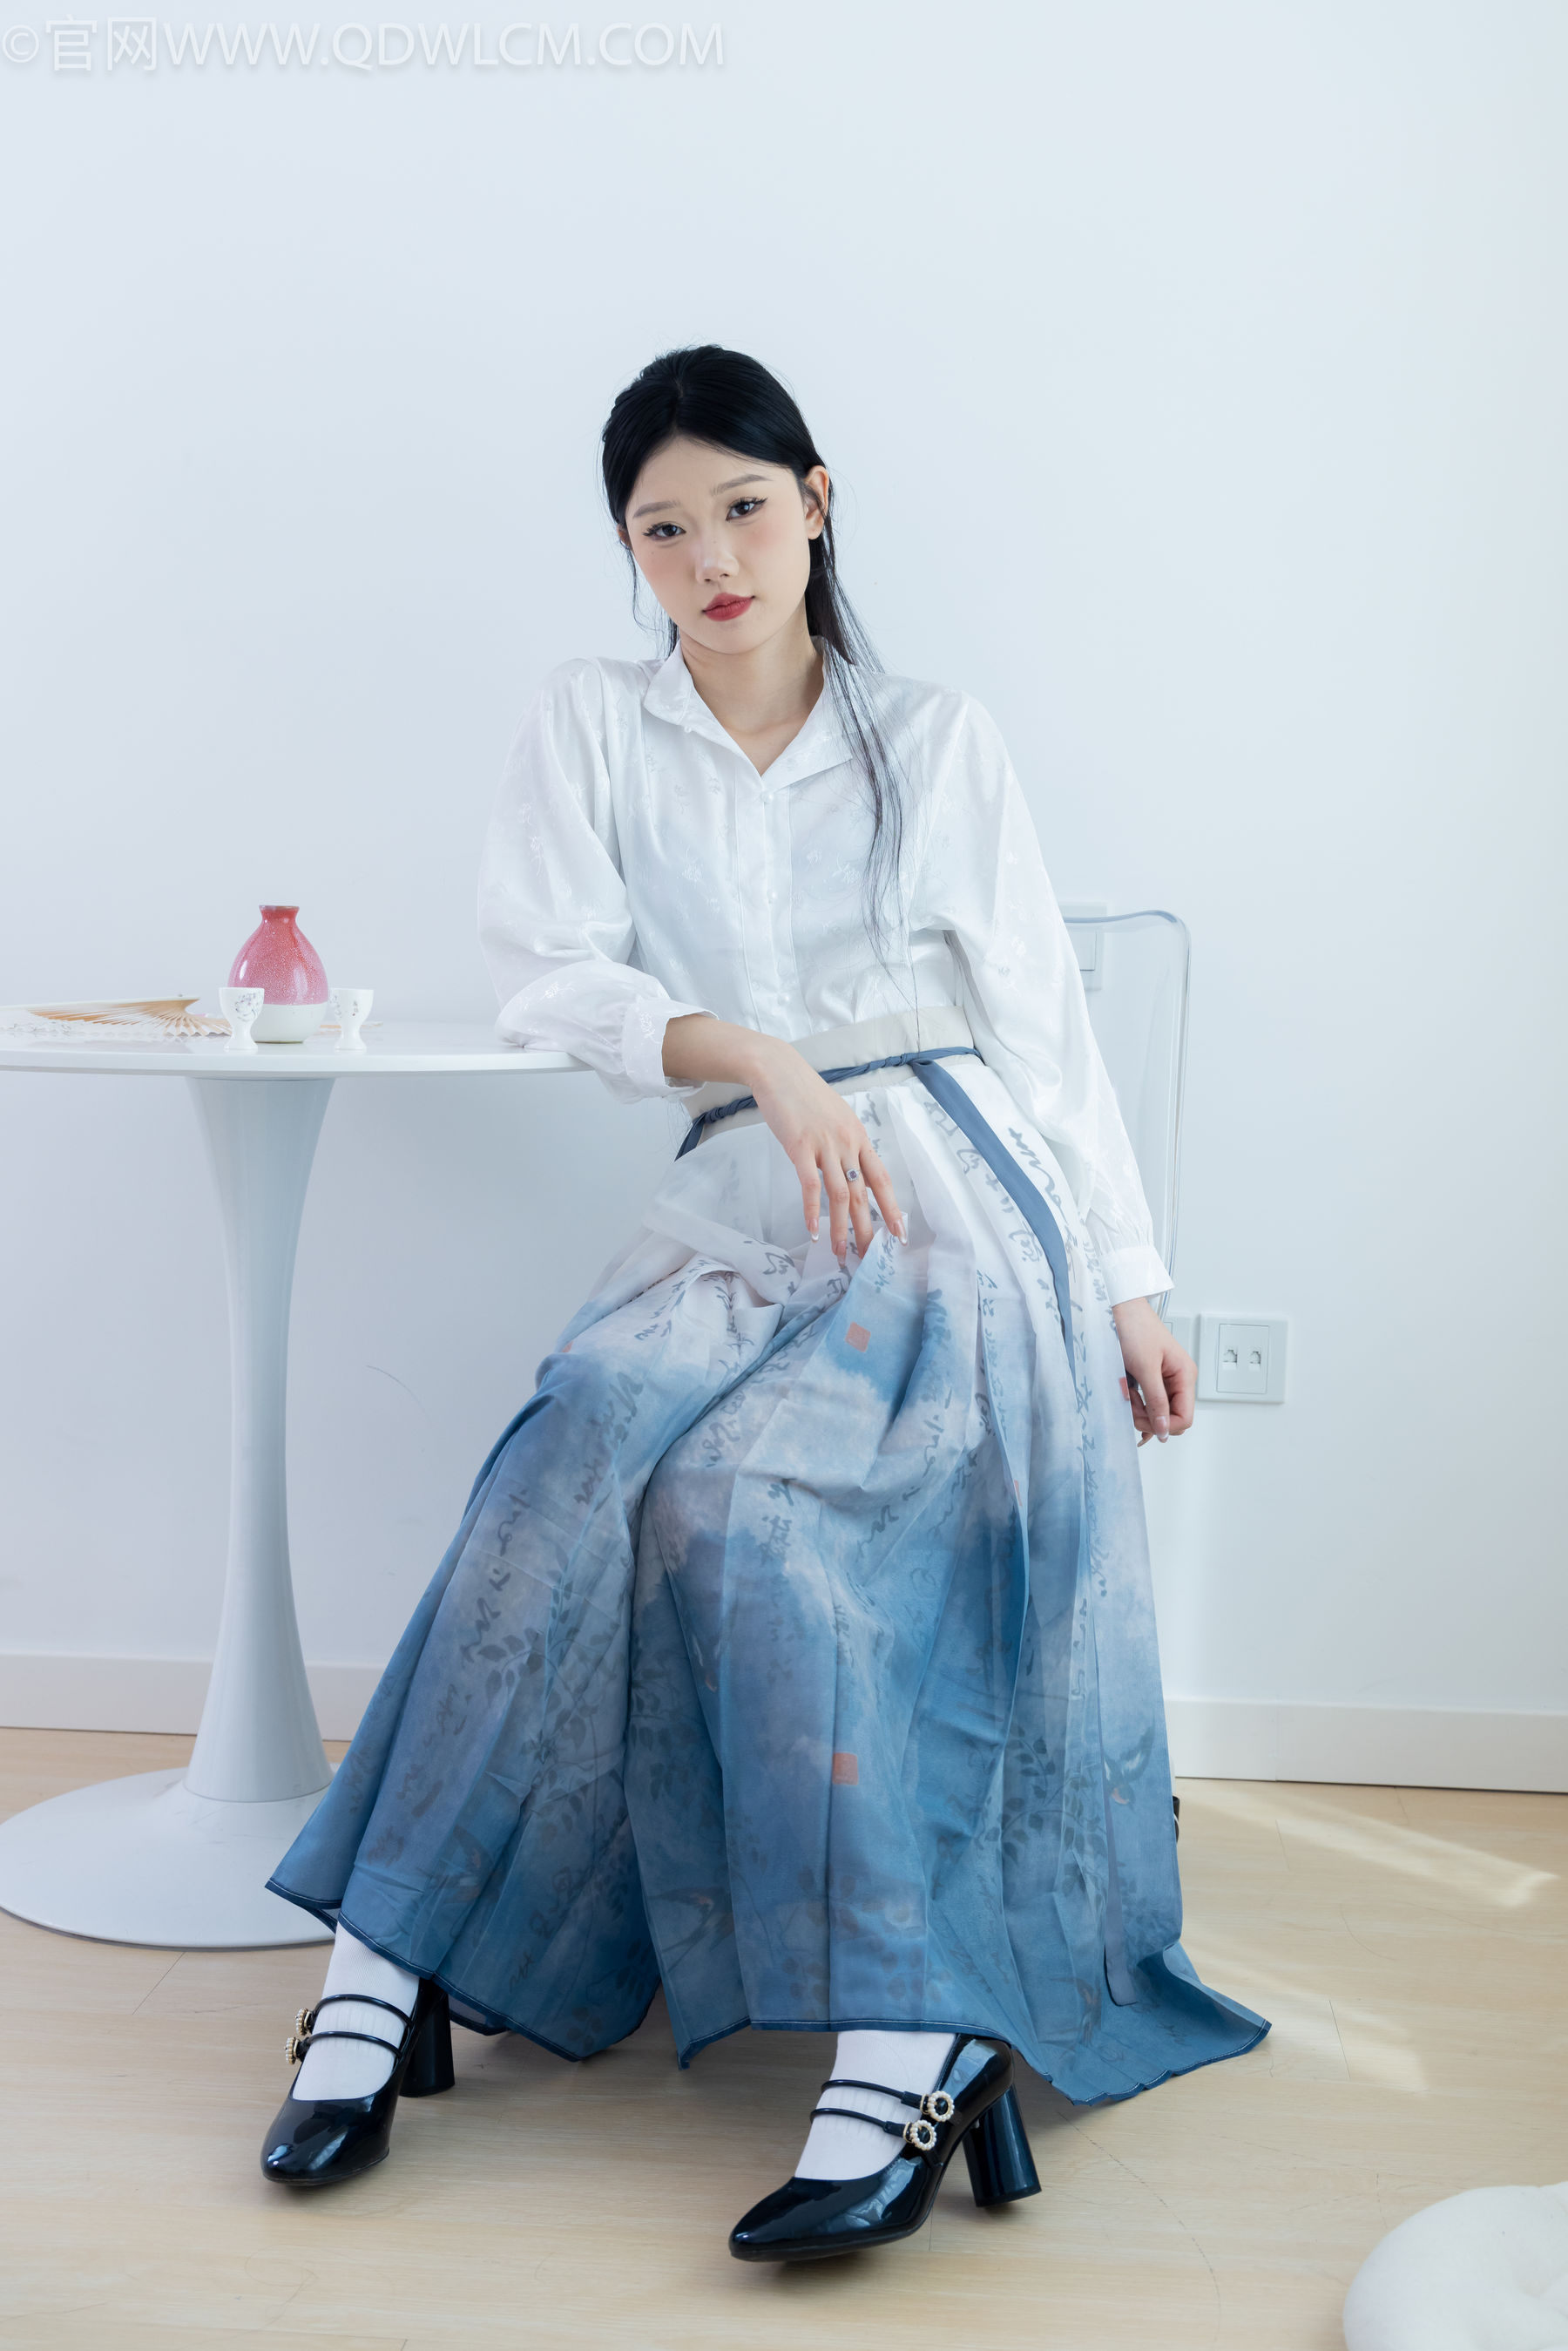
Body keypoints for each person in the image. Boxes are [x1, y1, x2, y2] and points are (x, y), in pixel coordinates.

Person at [259, 344, 1267, 2259]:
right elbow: (548, 972)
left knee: (760, 1510)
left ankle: (912, 2031)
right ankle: (379, 1972)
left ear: (814, 503)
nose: (709, 558)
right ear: (627, 551)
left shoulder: (934, 738)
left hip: (953, 1193)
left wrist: (1135, 1281)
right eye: (663, 528)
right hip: (740, 1177)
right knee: (561, 1460)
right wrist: (757, 1056)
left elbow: (1041, 1027)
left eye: (741, 507)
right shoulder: (593, 723)